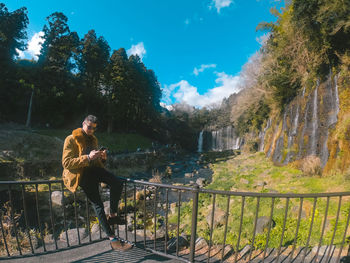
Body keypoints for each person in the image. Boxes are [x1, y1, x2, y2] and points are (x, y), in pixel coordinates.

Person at [62, 115, 133, 251]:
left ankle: (112, 215)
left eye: (93, 128)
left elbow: (97, 162)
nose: (91, 130)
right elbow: (66, 163)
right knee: (98, 205)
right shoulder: (71, 139)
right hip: (81, 174)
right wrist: (88, 157)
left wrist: (102, 157)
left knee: (117, 183)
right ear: (83, 124)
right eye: (89, 127)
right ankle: (113, 239)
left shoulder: (93, 139)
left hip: (94, 170)